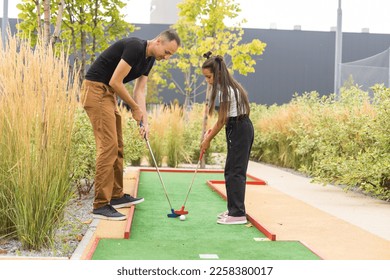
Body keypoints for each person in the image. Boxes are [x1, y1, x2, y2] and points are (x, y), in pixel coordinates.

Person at [80, 29, 181, 220]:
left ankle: (117, 196)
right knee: (108, 146)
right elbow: (116, 81)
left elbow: (140, 91)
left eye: (170, 55)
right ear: (158, 41)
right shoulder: (135, 47)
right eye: (167, 52)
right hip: (96, 90)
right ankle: (101, 205)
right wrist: (134, 108)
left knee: (118, 145)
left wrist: (144, 121)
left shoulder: (150, 60)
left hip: (108, 94)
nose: (167, 57)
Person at [200, 51, 254, 225]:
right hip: (239, 127)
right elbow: (225, 119)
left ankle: (237, 214)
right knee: (231, 171)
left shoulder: (225, 90)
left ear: (219, 74)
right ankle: (233, 209)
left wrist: (207, 140)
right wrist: (210, 133)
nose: (207, 81)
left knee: (235, 172)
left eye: (209, 77)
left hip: (239, 128)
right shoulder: (230, 87)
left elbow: (222, 120)